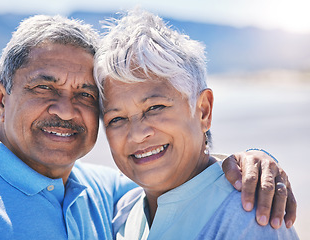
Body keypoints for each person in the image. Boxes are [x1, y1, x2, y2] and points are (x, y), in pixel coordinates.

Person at [0, 14, 295, 239]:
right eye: (44, 87)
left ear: (203, 110)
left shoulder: (107, 192)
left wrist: (246, 163)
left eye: (84, 94)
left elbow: (184, 177)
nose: (66, 111)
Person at [93, 9, 299, 239]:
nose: (137, 134)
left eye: (154, 108)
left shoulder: (249, 218)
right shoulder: (125, 213)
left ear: (203, 110)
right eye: (117, 119)